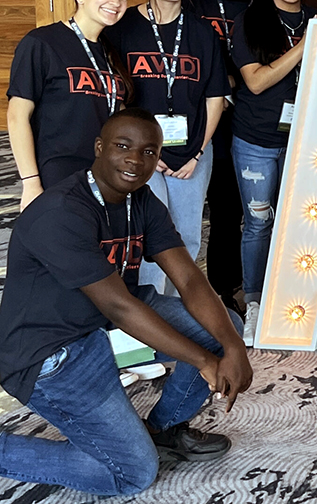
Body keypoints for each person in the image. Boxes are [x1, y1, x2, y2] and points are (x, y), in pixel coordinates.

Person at [0, 108, 253, 496]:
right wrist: (205, 361)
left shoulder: (142, 200)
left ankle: (163, 429)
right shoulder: (61, 212)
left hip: (101, 325)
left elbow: (187, 278)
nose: (136, 160)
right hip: (52, 351)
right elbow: (120, 307)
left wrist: (233, 347)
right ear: (99, 148)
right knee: (132, 474)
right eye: (123, 147)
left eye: (149, 152)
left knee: (222, 331)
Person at [230, 0, 317, 345]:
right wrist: (307, 42)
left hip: (309, 140)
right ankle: (257, 305)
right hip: (256, 140)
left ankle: (299, 300)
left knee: (308, 221)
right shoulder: (249, 20)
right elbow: (256, 81)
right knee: (259, 223)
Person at [109, 0, 228, 296]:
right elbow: (113, 94)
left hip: (192, 151)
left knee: (188, 237)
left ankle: (181, 313)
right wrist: (146, 153)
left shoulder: (202, 31)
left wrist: (196, 153)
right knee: (147, 237)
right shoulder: (123, 27)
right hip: (142, 154)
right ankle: (151, 321)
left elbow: (215, 97)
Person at [8, 0, 133, 210]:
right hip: (57, 174)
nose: (116, 2)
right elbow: (17, 116)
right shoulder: (42, 42)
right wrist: (31, 183)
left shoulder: (111, 52)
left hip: (103, 174)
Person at [185, 0, 259, 311]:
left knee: (236, 205)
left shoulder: (261, 2)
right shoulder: (193, 0)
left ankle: (236, 286)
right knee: (208, 205)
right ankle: (213, 289)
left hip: (247, 116)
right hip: (204, 114)